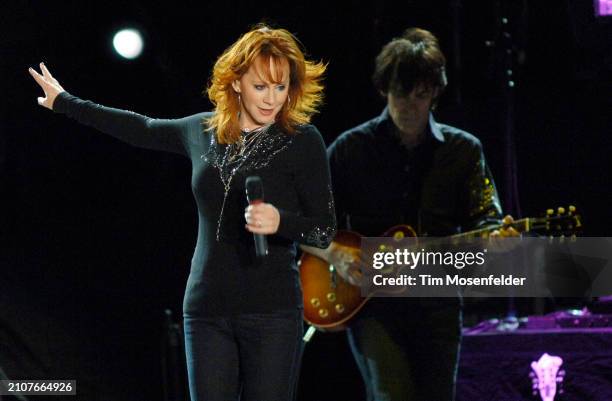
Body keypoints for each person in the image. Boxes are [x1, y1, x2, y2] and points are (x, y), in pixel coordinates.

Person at [29, 24, 336, 401]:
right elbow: (141, 127)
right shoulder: (201, 130)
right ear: (237, 82)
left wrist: (280, 222)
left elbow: (323, 230)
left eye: (281, 86)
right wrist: (65, 102)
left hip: (272, 313)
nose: (272, 98)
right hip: (207, 309)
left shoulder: (303, 141)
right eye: (261, 86)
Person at [302, 28, 516, 401]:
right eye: (401, 93)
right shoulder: (350, 150)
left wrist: (496, 239)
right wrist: (335, 253)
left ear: (435, 93)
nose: (409, 105)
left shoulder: (464, 151)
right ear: (384, 89)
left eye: (420, 95)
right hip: (373, 306)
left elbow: (486, 220)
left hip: (439, 303)